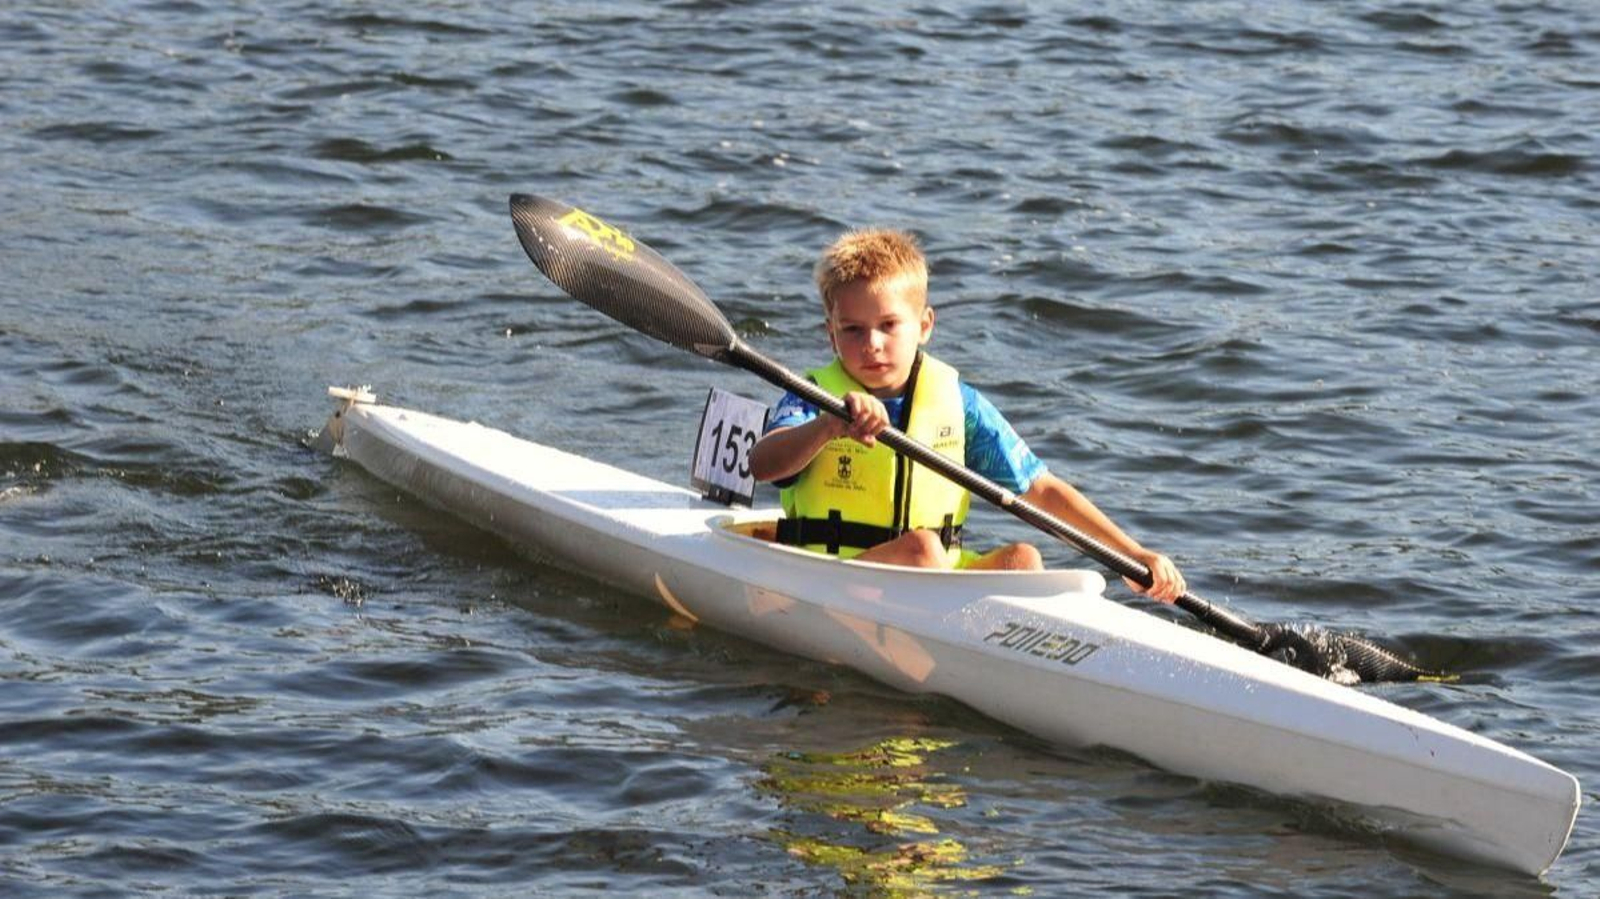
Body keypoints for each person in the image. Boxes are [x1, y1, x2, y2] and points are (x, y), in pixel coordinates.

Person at [747, 227, 1186, 603]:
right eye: (853, 330)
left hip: (931, 577)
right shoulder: (815, 396)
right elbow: (762, 465)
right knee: (921, 549)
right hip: (830, 576)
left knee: (1023, 559)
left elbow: (1041, 490)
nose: (873, 343)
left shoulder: (958, 404)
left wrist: (1134, 555)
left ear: (924, 325)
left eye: (888, 325)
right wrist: (828, 427)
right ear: (831, 334)